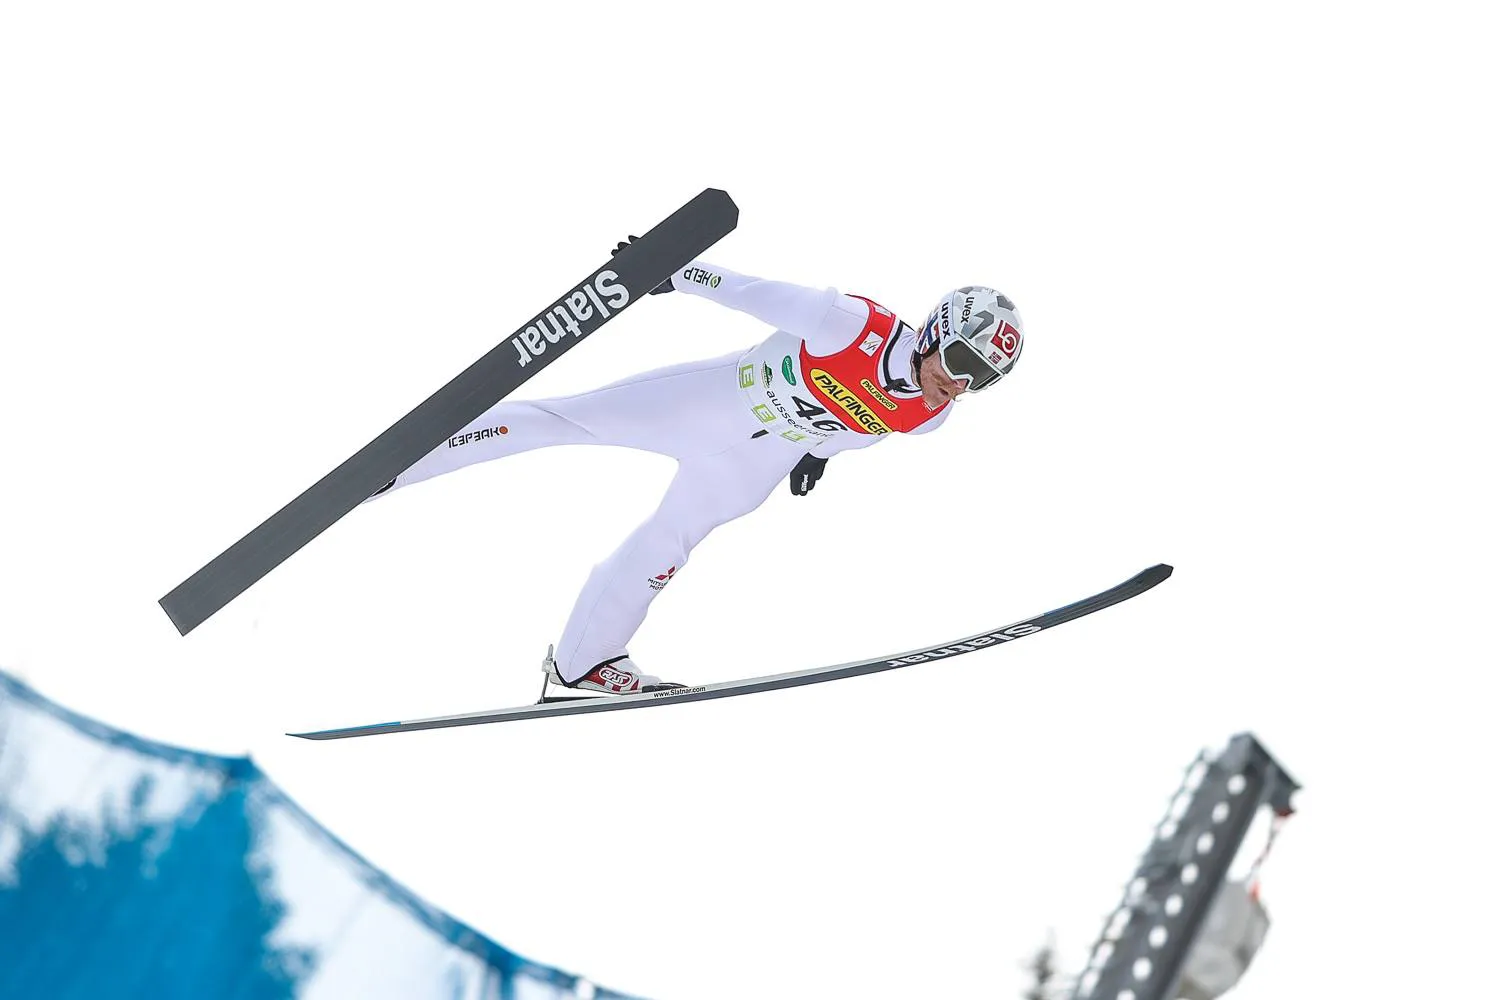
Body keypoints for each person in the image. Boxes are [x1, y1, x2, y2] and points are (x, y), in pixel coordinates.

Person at [363, 239, 1025, 695]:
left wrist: (815, 456)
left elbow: (858, 431)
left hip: (754, 464)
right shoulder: (851, 325)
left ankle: (583, 662)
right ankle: (404, 464)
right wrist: (670, 270)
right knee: (563, 420)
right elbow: (746, 291)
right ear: (936, 331)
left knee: (667, 546)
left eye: (982, 379)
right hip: (709, 404)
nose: (960, 383)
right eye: (962, 361)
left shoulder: (928, 416)